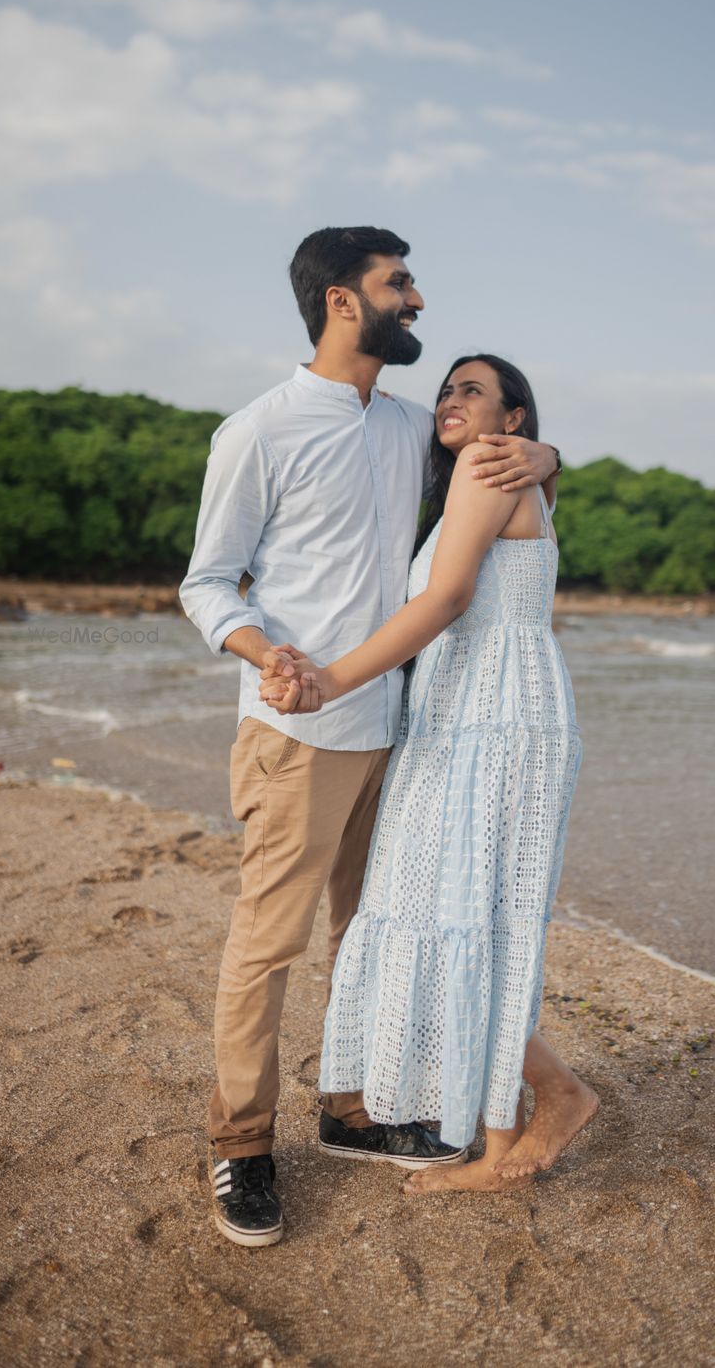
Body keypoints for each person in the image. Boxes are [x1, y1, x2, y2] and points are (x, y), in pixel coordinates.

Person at [178, 227, 560, 1246]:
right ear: (346, 301)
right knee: (268, 943)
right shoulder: (255, 431)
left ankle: (349, 1108)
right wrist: (266, 654)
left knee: (369, 931)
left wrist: (550, 449)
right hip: (297, 730)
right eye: (401, 284)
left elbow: (502, 502)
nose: (418, 300)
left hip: (400, 726)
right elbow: (206, 583)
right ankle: (243, 1143)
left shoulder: (406, 425)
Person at [260, 354, 599, 1193]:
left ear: (513, 418)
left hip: (493, 720)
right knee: (464, 916)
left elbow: (446, 601)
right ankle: (548, 1095)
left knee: (468, 918)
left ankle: (502, 1142)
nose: (450, 399)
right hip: (470, 715)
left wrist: (333, 680)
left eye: (472, 390)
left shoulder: (491, 470)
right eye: (447, 388)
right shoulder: (507, 471)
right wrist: (550, 454)